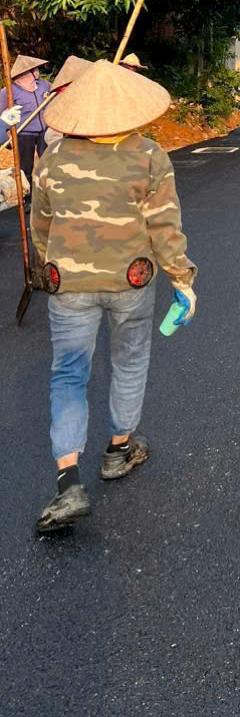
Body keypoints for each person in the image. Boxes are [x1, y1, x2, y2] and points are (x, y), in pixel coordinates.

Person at [30, 60, 197, 535]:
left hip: (69, 286)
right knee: (129, 360)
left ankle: (67, 482)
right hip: (131, 280)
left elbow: (40, 228)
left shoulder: (53, 159)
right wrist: (182, 280)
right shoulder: (148, 155)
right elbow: (164, 227)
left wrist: (53, 265)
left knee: (67, 374)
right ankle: (119, 450)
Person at [0, 54, 52, 185]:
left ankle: (48, 190)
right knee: (25, 168)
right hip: (24, 134)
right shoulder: (10, 91)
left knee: (48, 164)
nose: (35, 74)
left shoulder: (44, 85)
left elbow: (56, 93)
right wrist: (3, 128)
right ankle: (28, 196)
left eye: (34, 71)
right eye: (31, 72)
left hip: (44, 132)